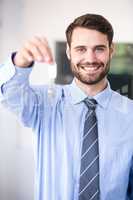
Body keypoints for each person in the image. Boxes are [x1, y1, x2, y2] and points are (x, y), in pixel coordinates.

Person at [0, 13, 133, 200]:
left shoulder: (131, 114)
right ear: (69, 52)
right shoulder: (43, 104)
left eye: (99, 49)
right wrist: (21, 60)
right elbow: (8, 92)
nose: (90, 58)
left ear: (111, 50)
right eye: (81, 49)